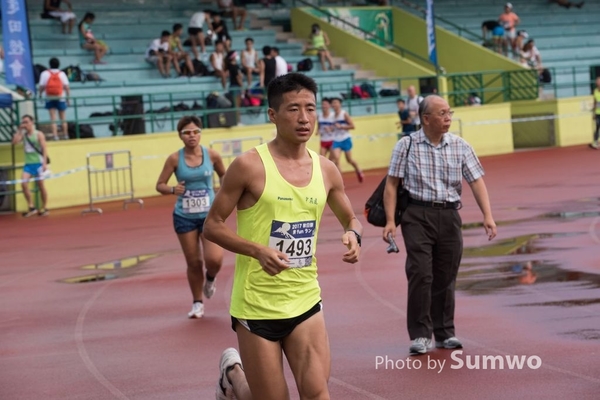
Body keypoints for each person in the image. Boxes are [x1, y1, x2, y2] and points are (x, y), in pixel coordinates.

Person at [203, 73, 362, 400]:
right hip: (257, 306)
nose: (304, 118)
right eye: (293, 109)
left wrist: (353, 235)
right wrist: (257, 250)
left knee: (317, 394)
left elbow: (353, 219)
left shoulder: (326, 170)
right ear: (272, 115)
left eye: (310, 108)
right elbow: (213, 225)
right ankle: (233, 376)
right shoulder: (249, 166)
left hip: (305, 300)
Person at [382, 95, 497, 356]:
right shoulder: (406, 145)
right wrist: (390, 221)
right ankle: (421, 335)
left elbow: (476, 181)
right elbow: (392, 184)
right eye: (442, 113)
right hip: (417, 214)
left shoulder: (460, 146)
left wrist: (487, 215)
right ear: (425, 119)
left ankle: (445, 332)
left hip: (449, 216)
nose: (448, 118)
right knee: (421, 273)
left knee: (446, 275)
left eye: (449, 112)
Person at [155, 115, 226, 318]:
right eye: (187, 133)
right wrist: (171, 189)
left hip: (209, 215)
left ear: (201, 134)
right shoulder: (174, 159)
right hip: (184, 216)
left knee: (215, 259)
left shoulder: (212, 155)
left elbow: (225, 176)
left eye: (196, 132)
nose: (192, 136)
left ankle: (210, 278)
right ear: (180, 136)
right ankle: (197, 303)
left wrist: (223, 192)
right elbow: (159, 184)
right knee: (194, 262)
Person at [12, 115, 50, 217]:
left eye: (27, 122)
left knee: (41, 185)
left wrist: (44, 163)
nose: (25, 124)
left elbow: (44, 148)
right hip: (28, 164)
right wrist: (19, 130)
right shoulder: (23, 135)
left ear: (32, 122)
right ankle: (31, 206)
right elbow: (14, 142)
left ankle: (44, 207)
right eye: (23, 122)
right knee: (24, 184)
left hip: (38, 162)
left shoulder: (38, 134)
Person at [329, 97, 364, 183]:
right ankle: (340, 180)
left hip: (345, 139)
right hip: (336, 140)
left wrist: (341, 127)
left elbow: (352, 126)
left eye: (336, 103)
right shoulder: (332, 116)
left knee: (349, 160)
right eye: (333, 103)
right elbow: (334, 127)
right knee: (336, 159)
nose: (334, 105)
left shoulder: (344, 114)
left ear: (340, 104)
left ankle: (358, 170)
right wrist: (330, 129)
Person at [38, 57, 70, 141]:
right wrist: (68, 98)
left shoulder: (45, 73)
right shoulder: (62, 73)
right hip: (61, 97)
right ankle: (65, 134)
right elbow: (66, 87)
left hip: (49, 97)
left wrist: (40, 94)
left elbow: (41, 86)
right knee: (63, 118)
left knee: (53, 118)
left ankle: (55, 136)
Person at [590, 77, 600, 149]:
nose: (598, 83)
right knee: (597, 127)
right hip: (597, 113)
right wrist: (593, 112)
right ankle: (595, 142)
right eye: (597, 81)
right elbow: (595, 102)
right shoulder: (595, 91)